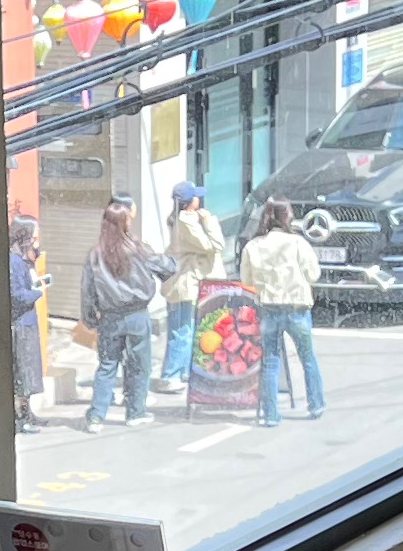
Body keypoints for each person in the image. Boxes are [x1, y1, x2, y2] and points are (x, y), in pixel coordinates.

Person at [240, 192, 327, 430]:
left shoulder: (253, 246)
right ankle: (316, 404)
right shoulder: (298, 243)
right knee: (307, 357)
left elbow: (246, 279)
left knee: (270, 360)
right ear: (287, 215)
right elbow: (313, 274)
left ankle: (270, 414)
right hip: (297, 307)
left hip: (268, 307)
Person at [79, 199, 162, 427]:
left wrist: (89, 318)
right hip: (137, 316)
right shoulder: (139, 249)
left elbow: (87, 290)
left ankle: (96, 415)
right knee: (138, 365)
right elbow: (165, 267)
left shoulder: (95, 254)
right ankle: (136, 412)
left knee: (107, 365)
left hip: (109, 318)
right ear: (125, 224)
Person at [158, 181, 224, 395]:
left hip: (183, 284)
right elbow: (215, 245)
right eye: (196, 196)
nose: (200, 199)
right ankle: (171, 376)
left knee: (185, 329)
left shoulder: (182, 218)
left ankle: (183, 371)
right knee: (183, 331)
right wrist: (209, 220)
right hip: (184, 284)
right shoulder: (186, 221)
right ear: (189, 202)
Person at [8, 208, 48, 431]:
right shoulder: (13, 262)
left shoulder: (24, 259)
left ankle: (27, 413)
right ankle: (20, 418)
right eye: (34, 236)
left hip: (28, 323)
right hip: (21, 325)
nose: (36, 240)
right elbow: (15, 295)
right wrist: (37, 292)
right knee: (22, 373)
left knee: (29, 371)